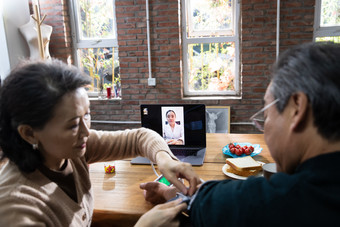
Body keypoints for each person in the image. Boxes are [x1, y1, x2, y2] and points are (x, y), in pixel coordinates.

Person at [140, 42, 340, 226]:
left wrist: (168, 193)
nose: (264, 127)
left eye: (267, 113)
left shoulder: (268, 201)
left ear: (297, 108)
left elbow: (208, 202)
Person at [0, 59, 201, 226]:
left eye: (87, 114)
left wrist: (165, 160)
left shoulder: (70, 150)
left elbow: (140, 137)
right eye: (72, 125)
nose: (86, 132)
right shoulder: (16, 210)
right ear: (29, 133)